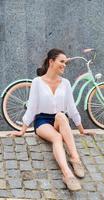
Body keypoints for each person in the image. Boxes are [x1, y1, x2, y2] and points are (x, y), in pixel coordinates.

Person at [12, 48, 90, 191]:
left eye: (65, 62)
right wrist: (22, 130)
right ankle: (67, 174)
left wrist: (81, 130)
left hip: (59, 120)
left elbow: (72, 108)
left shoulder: (65, 83)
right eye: (61, 61)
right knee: (57, 137)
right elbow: (32, 107)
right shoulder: (37, 82)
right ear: (51, 61)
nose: (64, 65)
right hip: (42, 121)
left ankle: (75, 158)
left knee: (61, 115)